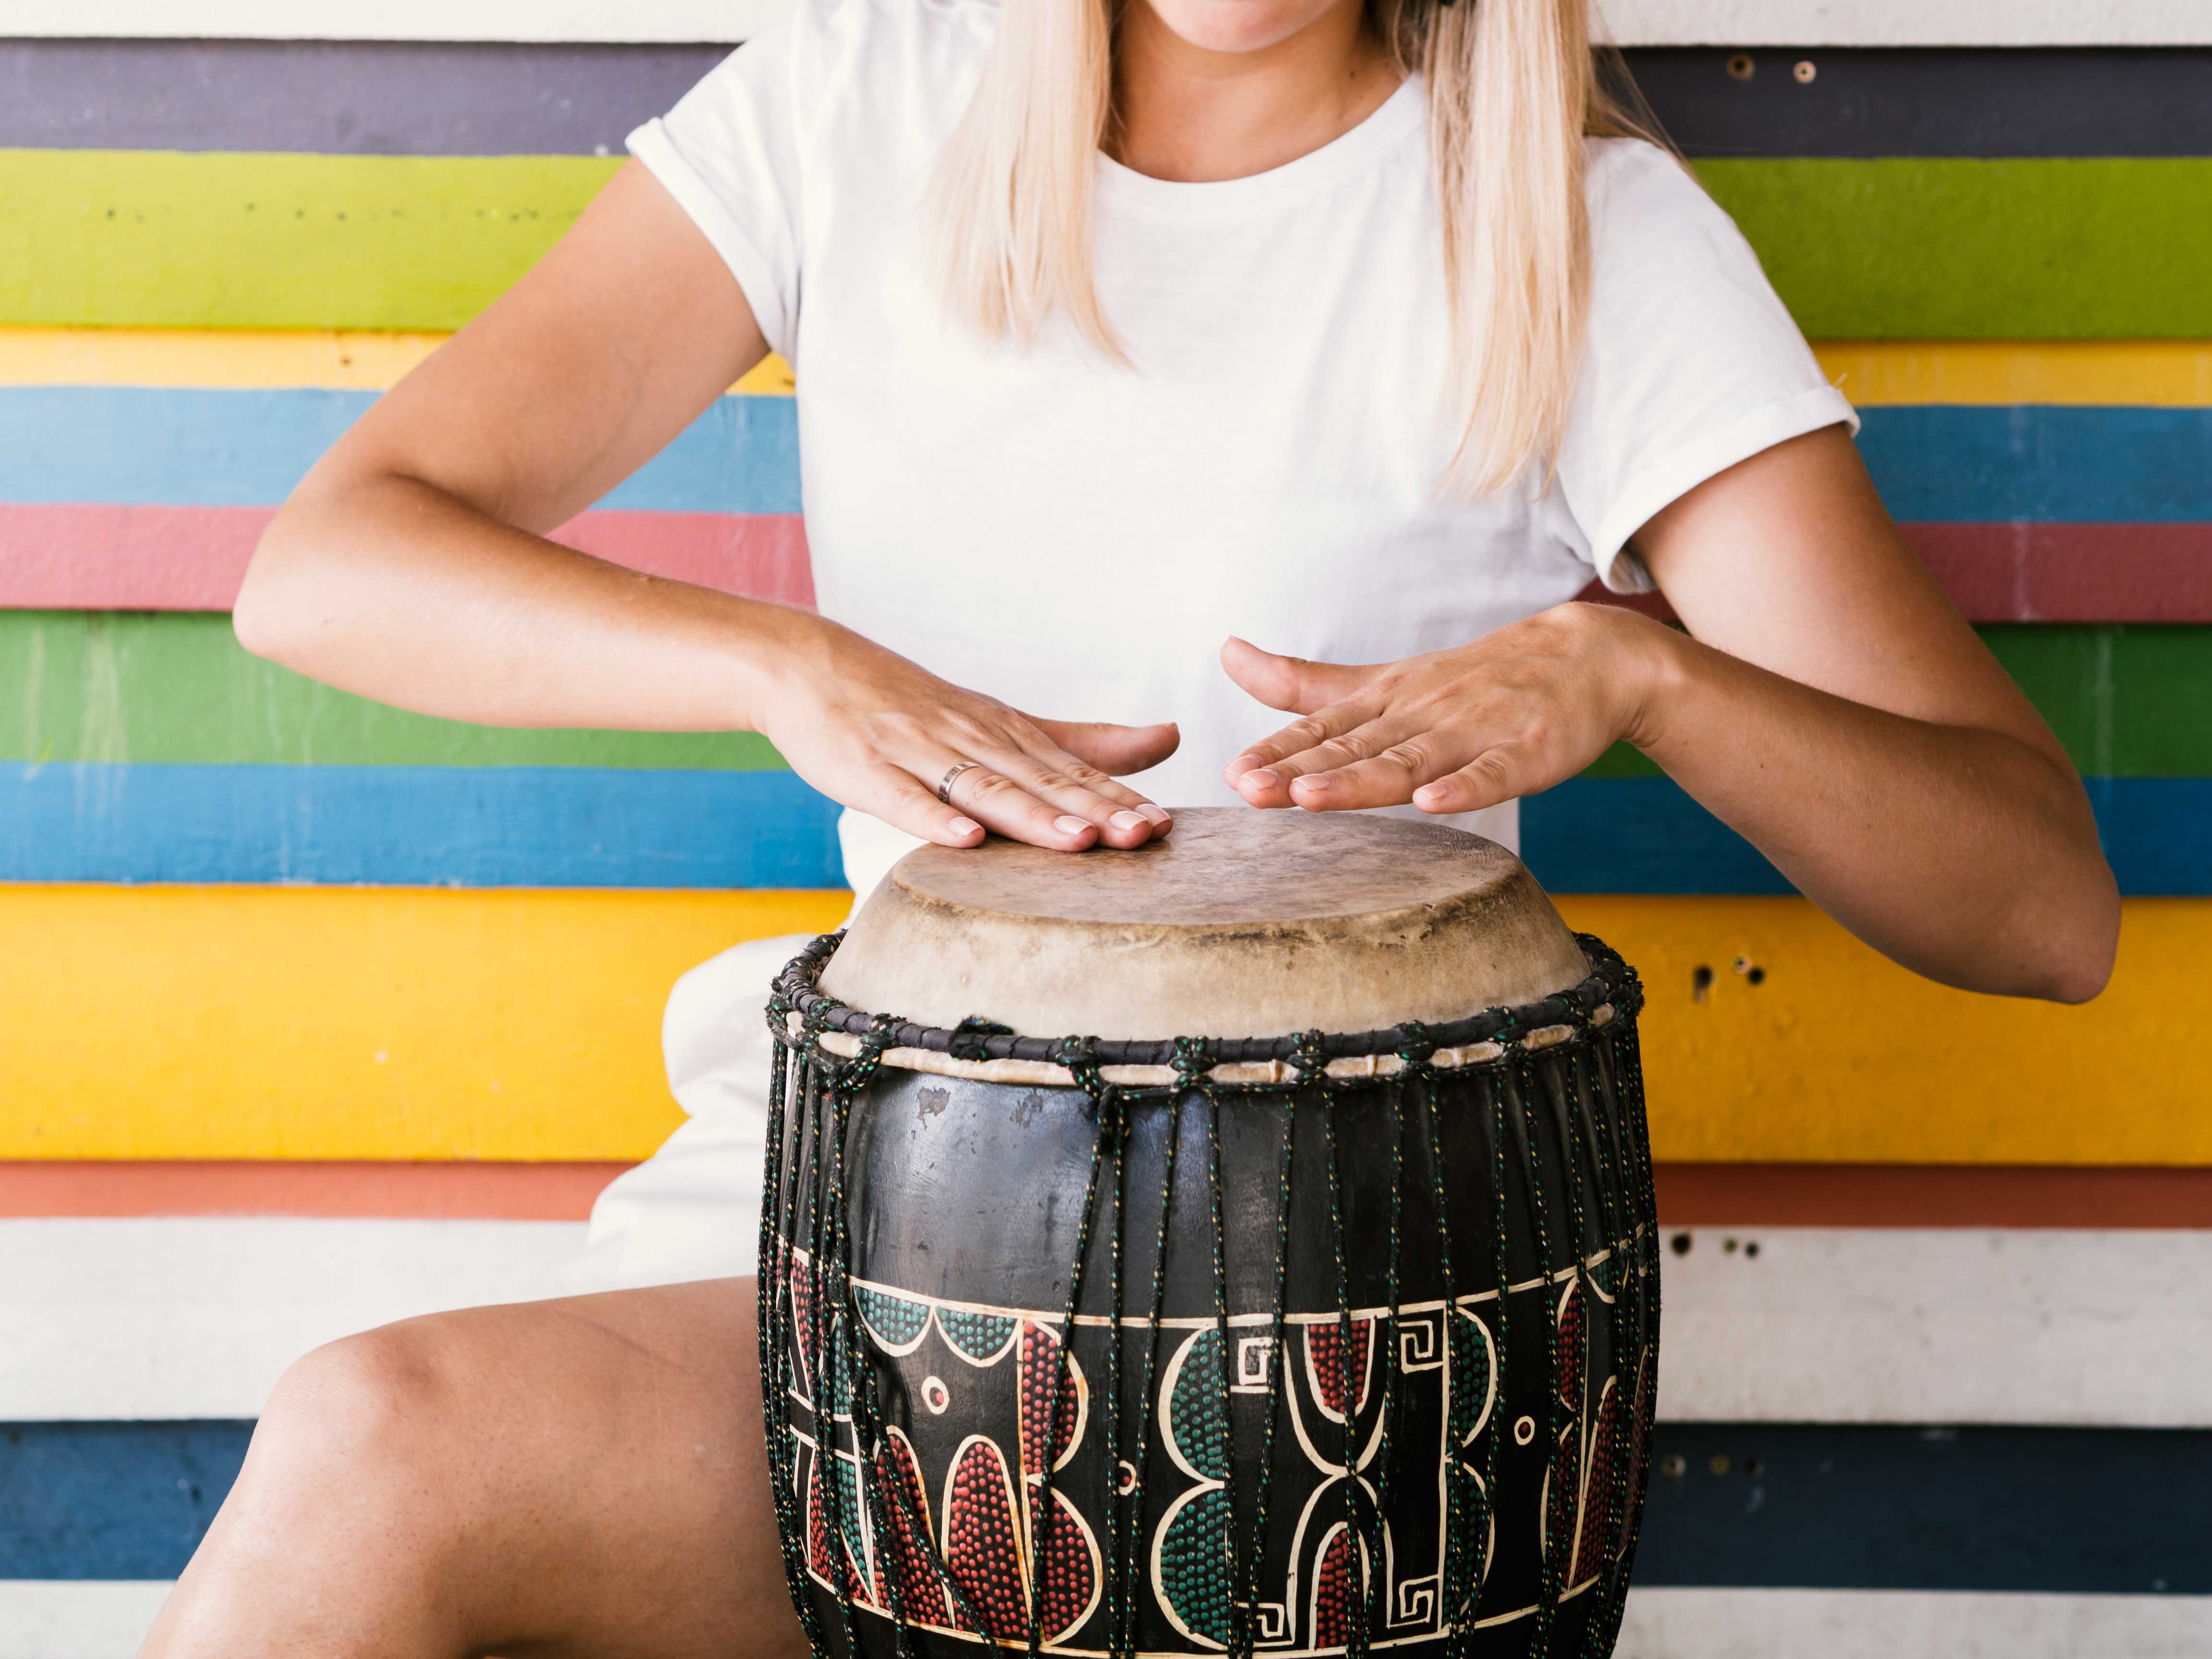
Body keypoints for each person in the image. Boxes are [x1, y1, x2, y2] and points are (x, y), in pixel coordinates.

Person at [139, 0, 2117, 1649]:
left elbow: (2038, 907)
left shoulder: (1586, 241)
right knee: (373, 1455)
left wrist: (1648, 680)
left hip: (1347, 1326)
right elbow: (330, 564)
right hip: (860, 1211)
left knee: (375, 1446)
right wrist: (790, 668)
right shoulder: (858, 102)